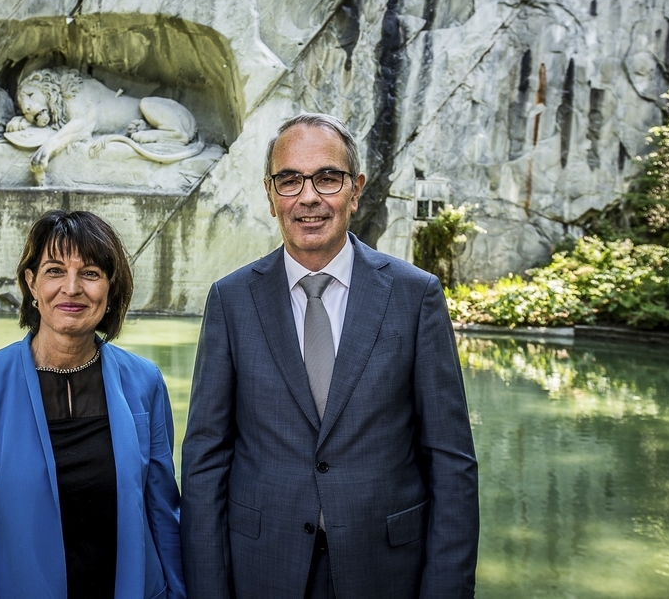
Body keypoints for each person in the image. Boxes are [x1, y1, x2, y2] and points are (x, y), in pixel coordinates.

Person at [180, 113, 479, 599]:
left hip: (385, 572)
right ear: (271, 193)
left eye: (327, 177)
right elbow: (204, 461)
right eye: (290, 179)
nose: (309, 196)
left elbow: (451, 461)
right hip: (263, 569)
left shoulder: (415, 295)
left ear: (355, 190)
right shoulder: (231, 300)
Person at [0, 210, 185, 599]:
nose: (72, 288)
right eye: (54, 271)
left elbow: (163, 514)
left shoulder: (145, 381)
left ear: (109, 286)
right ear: (31, 284)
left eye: (90, 273)